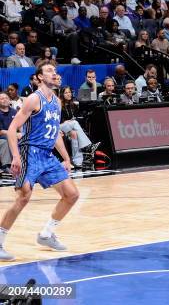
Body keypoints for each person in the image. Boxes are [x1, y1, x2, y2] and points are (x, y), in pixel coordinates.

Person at [0, 63, 80, 260]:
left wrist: (67, 158)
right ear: (39, 77)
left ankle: (46, 234)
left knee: (72, 195)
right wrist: (16, 157)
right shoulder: (33, 99)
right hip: (30, 152)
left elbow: (55, 135)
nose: (55, 73)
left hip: (47, 155)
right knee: (24, 197)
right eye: (49, 71)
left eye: (55, 70)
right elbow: (12, 130)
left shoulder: (57, 102)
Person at [59, 87, 99, 168]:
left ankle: (77, 162)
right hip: (60, 127)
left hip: (70, 128)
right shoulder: (59, 105)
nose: (68, 94)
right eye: (66, 93)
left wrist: (72, 120)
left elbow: (78, 117)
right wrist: (66, 121)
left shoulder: (73, 105)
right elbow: (56, 119)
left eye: (69, 92)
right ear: (62, 95)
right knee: (74, 122)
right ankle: (88, 146)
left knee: (74, 134)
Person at [0, 92, 18, 173]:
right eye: (2, 98)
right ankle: (6, 165)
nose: (4, 100)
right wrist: (14, 134)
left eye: (6, 98)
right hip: (2, 137)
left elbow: (20, 126)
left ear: (10, 100)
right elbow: (1, 131)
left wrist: (23, 133)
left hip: (14, 135)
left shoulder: (14, 112)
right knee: (6, 142)